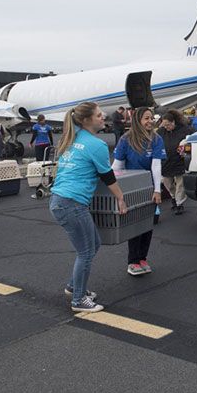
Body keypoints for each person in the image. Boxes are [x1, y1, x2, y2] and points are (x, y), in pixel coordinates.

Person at [50, 102, 127, 313]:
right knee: (85, 252)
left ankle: (74, 286)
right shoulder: (96, 145)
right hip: (71, 204)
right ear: (86, 121)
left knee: (94, 244)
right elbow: (108, 175)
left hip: (61, 201)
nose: (103, 117)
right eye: (99, 115)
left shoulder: (73, 140)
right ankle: (78, 300)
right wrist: (120, 199)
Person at [112, 107, 166, 276]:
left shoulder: (156, 139)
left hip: (149, 187)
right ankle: (133, 261)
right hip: (130, 188)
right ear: (138, 121)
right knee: (135, 224)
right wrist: (111, 187)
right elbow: (117, 166)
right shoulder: (125, 139)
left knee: (148, 224)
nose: (150, 121)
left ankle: (142, 258)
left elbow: (156, 166)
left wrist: (157, 190)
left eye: (151, 118)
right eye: (146, 118)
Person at [156, 109, 194, 215]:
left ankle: (179, 203)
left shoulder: (185, 130)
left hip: (179, 162)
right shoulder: (160, 131)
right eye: (164, 125)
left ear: (173, 122)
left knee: (180, 184)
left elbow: (193, 138)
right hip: (166, 163)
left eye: (168, 125)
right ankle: (173, 197)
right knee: (168, 184)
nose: (167, 127)